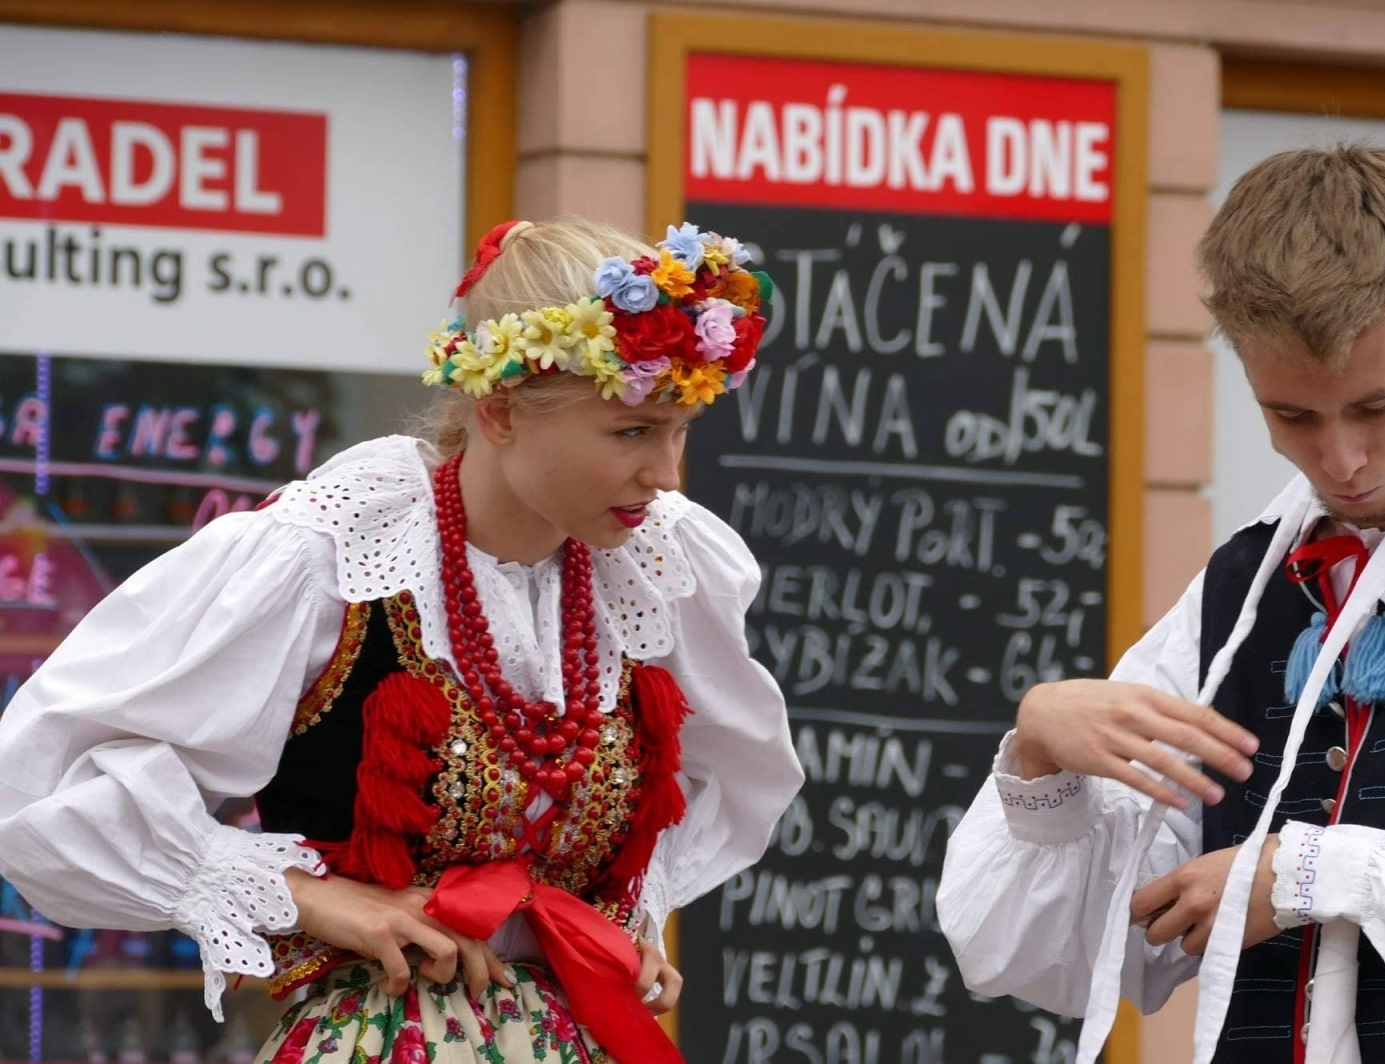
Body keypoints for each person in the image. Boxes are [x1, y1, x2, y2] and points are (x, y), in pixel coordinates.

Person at [0, 217, 804, 1062]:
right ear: (498, 412)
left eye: (679, 432)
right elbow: (41, 778)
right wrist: (307, 896)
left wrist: (626, 920)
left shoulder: (656, 565)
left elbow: (737, 772)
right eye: (632, 432)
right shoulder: (332, 553)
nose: (665, 473)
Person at [936, 144, 1385, 1063]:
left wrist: (1317, 872)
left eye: (1377, 406)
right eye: (1292, 416)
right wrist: (1043, 753)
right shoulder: (1246, 585)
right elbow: (1057, 956)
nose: (1341, 461)